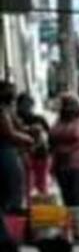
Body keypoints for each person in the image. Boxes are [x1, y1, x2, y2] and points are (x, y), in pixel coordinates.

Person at [49, 94, 79, 207]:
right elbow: (52, 134)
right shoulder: (60, 120)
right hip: (61, 163)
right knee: (67, 197)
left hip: (77, 163)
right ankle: (70, 222)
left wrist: (61, 142)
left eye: (70, 107)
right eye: (65, 107)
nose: (68, 110)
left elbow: (76, 134)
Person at [0, 82, 33, 212]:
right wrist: (27, 138)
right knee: (11, 187)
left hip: (11, 152)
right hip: (4, 151)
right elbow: (10, 133)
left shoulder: (7, 110)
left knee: (16, 184)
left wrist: (28, 129)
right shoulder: (2, 112)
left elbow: (18, 126)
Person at [16, 93, 52, 197]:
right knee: (27, 185)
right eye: (24, 104)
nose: (26, 107)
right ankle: (30, 207)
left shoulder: (39, 118)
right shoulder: (14, 119)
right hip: (22, 155)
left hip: (40, 154)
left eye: (29, 104)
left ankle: (42, 207)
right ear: (18, 105)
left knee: (41, 184)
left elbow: (50, 134)